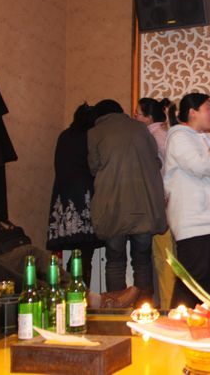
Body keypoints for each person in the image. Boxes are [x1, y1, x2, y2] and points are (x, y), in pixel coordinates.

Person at [88, 99, 166, 304]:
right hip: (143, 205)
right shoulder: (141, 128)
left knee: (115, 260)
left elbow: (94, 166)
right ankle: (145, 305)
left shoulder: (95, 132)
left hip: (112, 206)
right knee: (142, 259)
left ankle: (116, 306)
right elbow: (156, 160)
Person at [163, 93, 210, 307]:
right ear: (192, 112)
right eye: (208, 109)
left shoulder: (206, 139)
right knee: (191, 283)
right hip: (195, 222)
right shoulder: (179, 138)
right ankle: (179, 322)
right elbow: (201, 167)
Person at [46, 103, 103, 286]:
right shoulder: (89, 137)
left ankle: (70, 283)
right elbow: (94, 166)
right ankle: (77, 287)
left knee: (76, 248)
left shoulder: (65, 136)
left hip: (63, 196)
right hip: (84, 196)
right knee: (85, 248)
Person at [134, 97, 176, 309]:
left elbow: (169, 170)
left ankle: (167, 305)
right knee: (162, 256)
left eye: (138, 113)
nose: (135, 116)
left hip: (162, 204)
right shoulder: (159, 134)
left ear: (149, 117)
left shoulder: (157, 136)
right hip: (161, 202)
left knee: (164, 257)